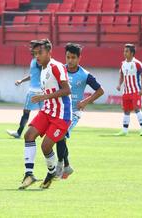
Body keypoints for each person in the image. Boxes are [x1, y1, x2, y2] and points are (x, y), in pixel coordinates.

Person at [19, 39, 71, 190]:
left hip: (61, 114)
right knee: (28, 135)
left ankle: (51, 173)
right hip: (47, 110)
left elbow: (66, 90)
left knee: (46, 147)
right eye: (34, 54)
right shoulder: (43, 69)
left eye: (39, 53)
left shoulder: (57, 67)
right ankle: (29, 174)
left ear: (49, 52)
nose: (37, 56)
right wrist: (43, 97)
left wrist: (43, 97)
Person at [55, 43, 104, 179]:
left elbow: (100, 91)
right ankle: (66, 167)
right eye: (68, 57)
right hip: (59, 110)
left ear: (79, 58)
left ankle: (60, 168)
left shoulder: (85, 75)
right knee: (58, 137)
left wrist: (85, 101)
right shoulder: (60, 70)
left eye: (73, 58)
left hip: (74, 113)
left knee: (60, 135)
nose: (70, 60)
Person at [6, 40, 43, 138]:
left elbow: (43, 69)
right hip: (43, 92)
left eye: (32, 47)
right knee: (44, 113)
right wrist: (21, 80)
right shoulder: (36, 60)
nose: (31, 49)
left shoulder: (37, 61)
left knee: (26, 112)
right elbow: (33, 75)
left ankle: (19, 133)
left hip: (34, 91)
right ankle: (47, 133)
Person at [116, 44, 142, 136]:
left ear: (132, 53)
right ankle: (124, 131)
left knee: (137, 109)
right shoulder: (123, 64)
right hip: (126, 92)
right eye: (124, 51)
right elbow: (121, 75)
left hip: (135, 91)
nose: (124, 53)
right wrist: (119, 84)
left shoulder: (137, 63)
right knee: (126, 110)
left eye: (127, 51)